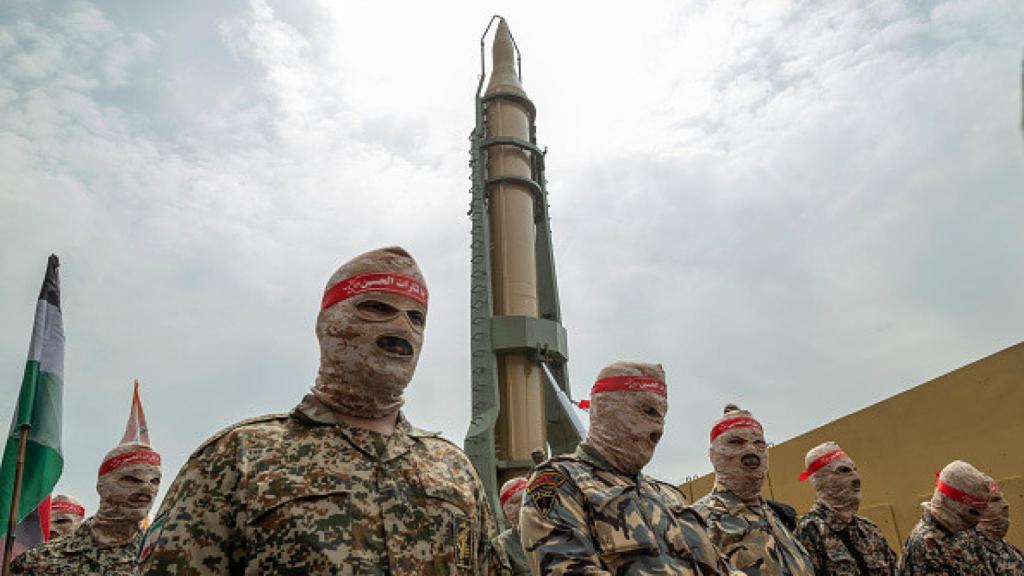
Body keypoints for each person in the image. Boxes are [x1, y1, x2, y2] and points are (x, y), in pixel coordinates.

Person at [138, 246, 501, 575]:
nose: (401, 327)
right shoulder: (237, 456)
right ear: (329, 324)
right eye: (377, 308)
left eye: (416, 318)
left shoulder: (455, 471)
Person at [520, 361, 733, 575]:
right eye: (648, 411)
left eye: (662, 416)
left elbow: (722, 569)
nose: (658, 429)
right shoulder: (559, 481)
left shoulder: (670, 497)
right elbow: (567, 569)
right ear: (605, 409)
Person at [692, 404, 813, 575]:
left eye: (759, 443)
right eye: (735, 442)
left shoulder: (781, 517)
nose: (751, 450)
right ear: (713, 455)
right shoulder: (697, 523)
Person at [12, 443, 161, 575]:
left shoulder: (163, 558)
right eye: (131, 479)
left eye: (155, 481)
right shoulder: (39, 560)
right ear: (102, 486)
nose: (146, 490)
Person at [795, 442, 897, 575]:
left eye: (855, 469)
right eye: (844, 470)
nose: (856, 478)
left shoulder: (869, 529)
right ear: (823, 479)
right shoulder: (809, 531)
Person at [898, 460, 993, 575]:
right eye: (973, 511)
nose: (976, 519)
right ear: (954, 502)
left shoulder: (963, 533)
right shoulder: (927, 544)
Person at [969, 481, 1024, 575]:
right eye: (995, 500)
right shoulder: (971, 550)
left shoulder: (1004, 545)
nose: (1005, 505)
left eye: (1002, 499)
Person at [494, 477, 530, 575]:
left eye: (518, 500)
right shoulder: (502, 545)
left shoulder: (555, 534)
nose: (512, 509)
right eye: (507, 504)